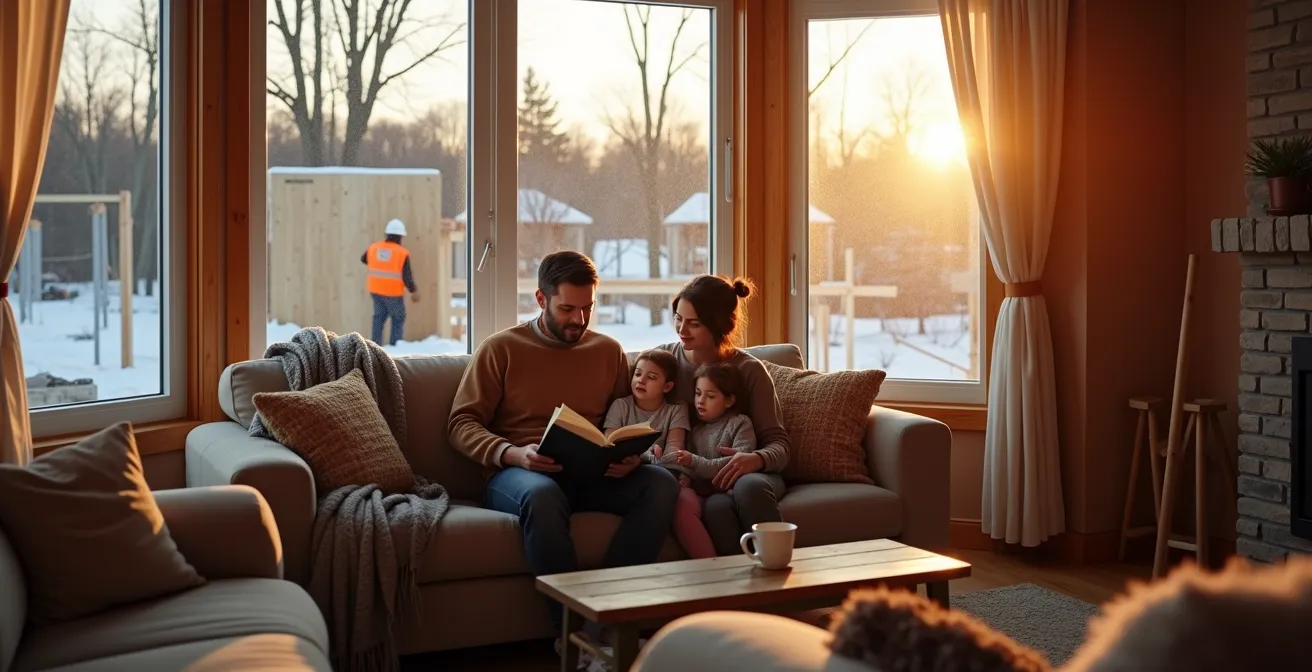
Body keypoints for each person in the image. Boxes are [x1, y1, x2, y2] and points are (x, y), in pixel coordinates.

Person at [447, 250, 680, 646]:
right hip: (520, 473)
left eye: (587, 308)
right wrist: (513, 453)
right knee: (541, 494)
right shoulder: (500, 349)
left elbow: (625, 421)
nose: (579, 320)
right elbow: (460, 424)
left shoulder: (607, 351)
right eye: (568, 308)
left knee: (659, 484)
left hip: (589, 473)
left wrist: (628, 456)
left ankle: (607, 614)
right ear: (541, 299)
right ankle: (572, 637)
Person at [654, 274, 791, 556]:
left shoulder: (750, 371)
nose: (682, 330)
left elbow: (780, 445)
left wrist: (755, 459)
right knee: (716, 508)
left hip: (751, 475)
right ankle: (733, 588)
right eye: (678, 319)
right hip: (697, 478)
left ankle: (776, 573)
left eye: (694, 323)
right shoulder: (663, 362)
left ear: (719, 325)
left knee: (749, 486)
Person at [657, 362, 757, 559]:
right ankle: (708, 566)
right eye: (697, 393)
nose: (700, 401)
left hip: (728, 490)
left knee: (717, 509)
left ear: (729, 401)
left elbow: (735, 465)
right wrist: (686, 476)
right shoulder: (696, 430)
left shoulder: (740, 423)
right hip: (702, 490)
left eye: (710, 396)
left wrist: (692, 462)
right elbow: (693, 467)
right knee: (682, 503)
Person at [361, 218, 419, 346]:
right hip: (393, 293)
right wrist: (413, 290)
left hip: (375, 290)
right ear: (400, 237)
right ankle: (395, 346)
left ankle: (374, 346)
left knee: (378, 318)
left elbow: (364, 259)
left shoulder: (374, 248)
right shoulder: (401, 253)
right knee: (398, 319)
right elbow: (407, 276)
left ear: (387, 234)